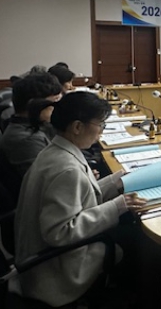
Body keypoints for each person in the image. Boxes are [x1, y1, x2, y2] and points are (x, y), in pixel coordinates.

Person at [12, 92, 147, 307]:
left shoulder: (57, 150)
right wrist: (117, 206)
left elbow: (82, 196)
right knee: (137, 238)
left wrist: (115, 182)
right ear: (77, 127)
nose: (101, 131)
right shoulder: (66, 168)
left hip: (43, 254)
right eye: (100, 125)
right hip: (56, 268)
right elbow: (60, 232)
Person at [0, 74, 63, 194]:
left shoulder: (37, 125)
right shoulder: (26, 140)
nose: (57, 109)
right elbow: (48, 184)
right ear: (34, 105)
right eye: (54, 103)